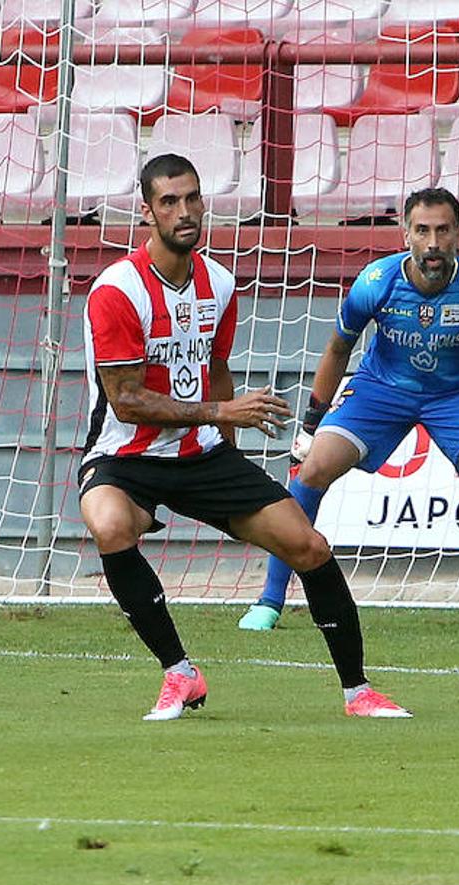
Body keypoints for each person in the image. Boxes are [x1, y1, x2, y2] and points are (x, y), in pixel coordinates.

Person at [80, 154, 408, 720]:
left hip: (201, 453)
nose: (184, 212)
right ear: (146, 212)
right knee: (111, 526)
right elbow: (126, 401)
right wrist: (222, 410)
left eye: (192, 198)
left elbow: (218, 366)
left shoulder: (221, 283)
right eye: (168, 202)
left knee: (308, 545)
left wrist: (231, 468)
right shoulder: (117, 291)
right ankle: (178, 673)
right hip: (122, 455)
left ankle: (359, 693)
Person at [237, 187, 459, 631]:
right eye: (422, 230)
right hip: (381, 390)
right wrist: (310, 427)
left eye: (442, 231)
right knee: (314, 467)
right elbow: (338, 350)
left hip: (457, 395)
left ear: (458, 234)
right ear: (405, 234)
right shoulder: (375, 283)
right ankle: (270, 599)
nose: (432, 243)